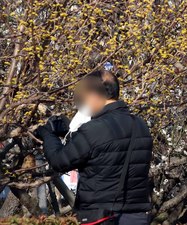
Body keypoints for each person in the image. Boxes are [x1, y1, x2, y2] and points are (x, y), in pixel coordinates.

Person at [35, 70, 153, 225]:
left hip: (103, 216)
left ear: (95, 95)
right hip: (137, 215)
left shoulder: (94, 129)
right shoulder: (140, 125)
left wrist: (47, 134)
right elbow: (112, 147)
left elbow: (59, 161)